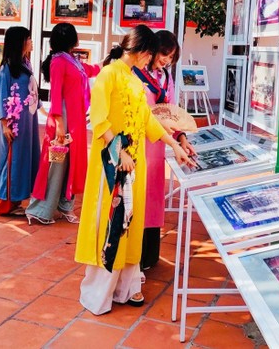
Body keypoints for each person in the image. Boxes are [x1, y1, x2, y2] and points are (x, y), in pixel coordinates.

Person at [75, 25, 194, 315]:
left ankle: (125, 287)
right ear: (141, 50)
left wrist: (174, 144)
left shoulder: (132, 79)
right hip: (113, 165)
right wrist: (120, 153)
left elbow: (147, 121)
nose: (152, 61)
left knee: (130, 223)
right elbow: (100, 121)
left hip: (134, 163)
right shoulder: (108, 76)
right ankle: (98, 292)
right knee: (112, 223)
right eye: (151, 54)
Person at [133, 30, 196, 272]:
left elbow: (170, 110)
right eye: (163, 54)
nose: (166, 60)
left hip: (159, 143)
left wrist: (181, 137)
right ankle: (133, 254)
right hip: (140, 141)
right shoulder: (136, 74)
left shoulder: (165, 77)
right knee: (138, 193)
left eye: (171, 56)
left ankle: (149, 254)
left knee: (153, 196)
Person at [26, 23, 101, 225]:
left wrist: (108, 62)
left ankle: (65, 205)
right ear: (72, 39)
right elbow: (56, 94)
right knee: (56, 162)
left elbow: (92, 70)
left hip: (75, 118)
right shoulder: (59, 62)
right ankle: (40, 209)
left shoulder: (72, 60)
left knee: (71, 162)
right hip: (63, 117)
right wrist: (59, 124)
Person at [0, 26, 40, 216]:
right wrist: (5, 124)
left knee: (24, 159)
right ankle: (5, 203)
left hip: (28, 121)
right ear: (19, 42)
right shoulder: (6, 69)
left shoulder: (26, 64)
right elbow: (2, 96)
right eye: (27, 38)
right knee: (12, 160)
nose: (30, 41)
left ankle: (17, 200)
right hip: (14, 124)